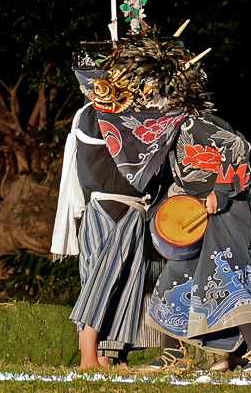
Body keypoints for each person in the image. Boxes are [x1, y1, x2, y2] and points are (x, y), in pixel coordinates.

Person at [82, 35, 251, 375]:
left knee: (229, 278)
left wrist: (222, 190)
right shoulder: (167, 128)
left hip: (225, 212)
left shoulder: (194, 122)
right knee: (173, 280)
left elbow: (238, 148)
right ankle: (175, 355)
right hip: (192, 214)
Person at [51, 59, 164, 369]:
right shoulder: (93, 116)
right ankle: (89, 356)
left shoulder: (121, 113)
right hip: (110, 207)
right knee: (102, 278)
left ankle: (104, 354)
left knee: (121, 280)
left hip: (125, 208)